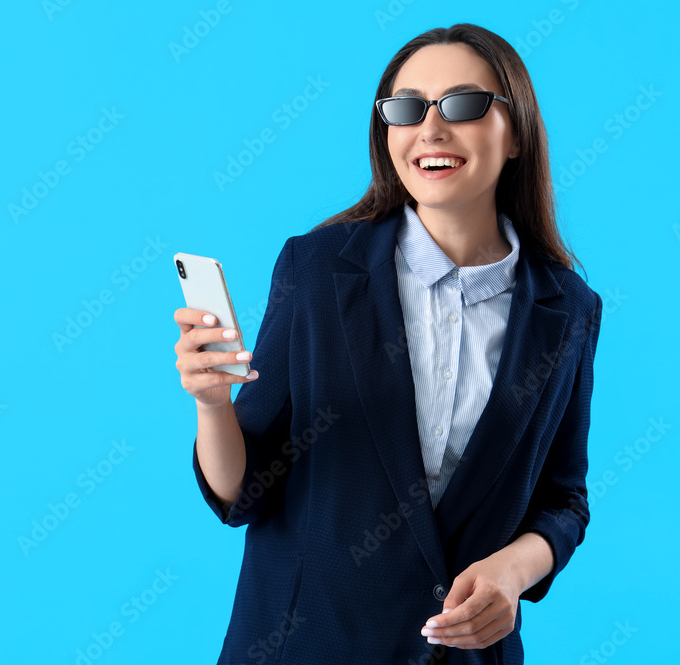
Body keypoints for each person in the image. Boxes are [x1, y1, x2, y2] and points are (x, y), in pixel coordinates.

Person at [174, 23, 603, 665]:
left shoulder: (567, 309)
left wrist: (515, 571)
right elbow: (246, 491)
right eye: (405, 109)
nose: (430, 130)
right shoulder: (317, 271)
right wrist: (212, 404)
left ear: (515, 132)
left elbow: (563, 499)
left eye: (463, 104)